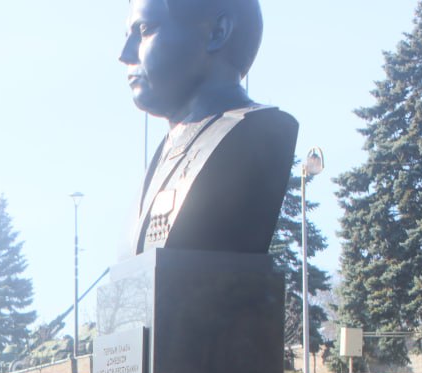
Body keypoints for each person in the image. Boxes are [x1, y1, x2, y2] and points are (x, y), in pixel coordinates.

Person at [119, 0, 296, 257]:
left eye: (145, 30)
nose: (125, 53)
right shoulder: (164, 152)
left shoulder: (250, 133)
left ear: (216, 32)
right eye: (127, 35)